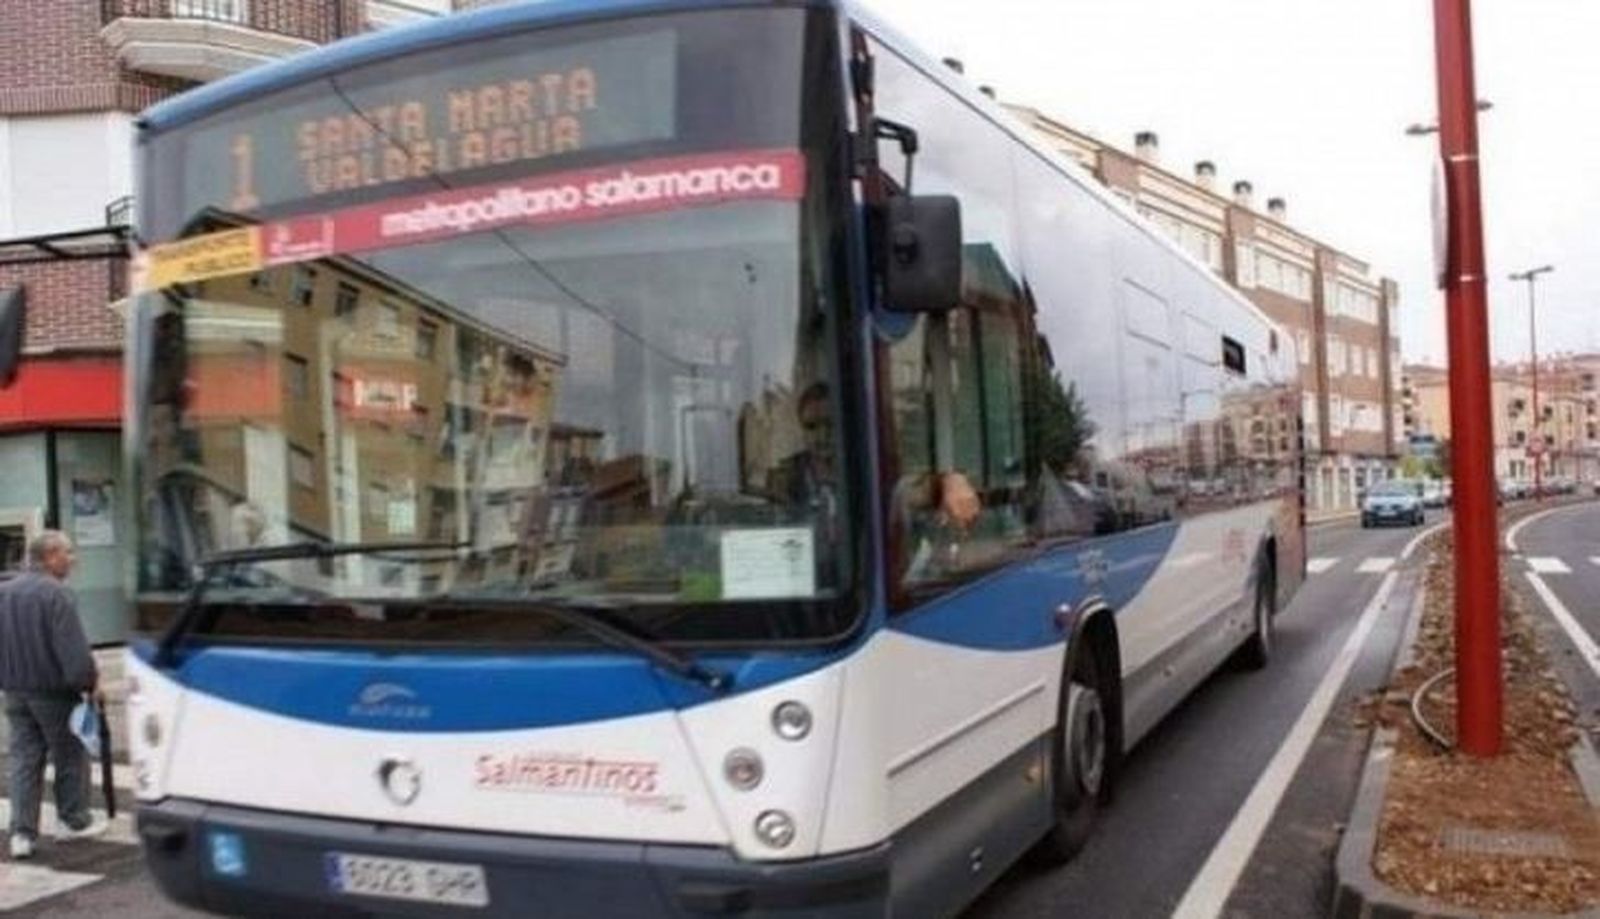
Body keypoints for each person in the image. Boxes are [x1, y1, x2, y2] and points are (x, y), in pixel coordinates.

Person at [0, 531, 105, 860]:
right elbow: (73, 651)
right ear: (49, 557)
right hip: (54, 691)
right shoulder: (57, 595)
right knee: (70, 755)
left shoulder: (5, 592)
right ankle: (72, 820)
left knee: (24, 760)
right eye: (67, 553)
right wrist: (89, 684)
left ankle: (21, 833)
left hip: (15, 690)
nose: (73, 559)